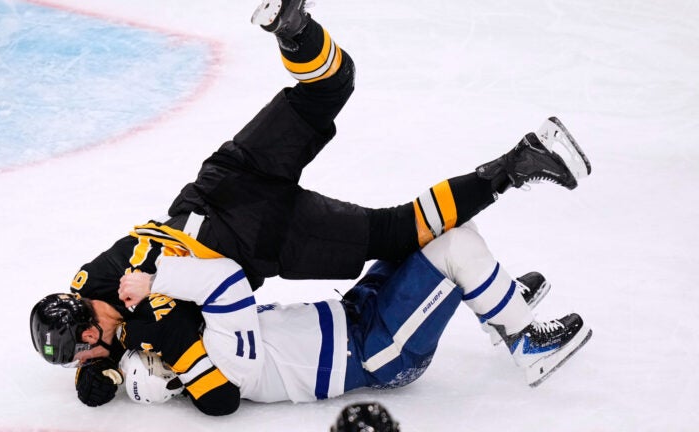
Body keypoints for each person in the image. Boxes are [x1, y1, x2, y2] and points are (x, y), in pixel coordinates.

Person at [30, 0, 592, 413]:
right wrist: (100, 366)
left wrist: (129, 345)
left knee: (403, 231)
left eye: (84, 348)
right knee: (332, 94)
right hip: (221, 187)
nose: (90, 353)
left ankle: (512, 198)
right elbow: (117, 329)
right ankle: (294, 29)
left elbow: (187, 348)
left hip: (252, 237)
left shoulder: (152, 324)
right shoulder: (94, 288)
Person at [32, 220, 591, 416]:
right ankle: (524, 341)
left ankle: (494, 299)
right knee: (455, 241)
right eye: (154, 356)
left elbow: (119, 353)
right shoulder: (224, 358)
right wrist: (158, 282)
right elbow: (224, 278)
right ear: (173, 366)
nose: (148, 343)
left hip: (351, 314)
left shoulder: (199, 358)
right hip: (377, 347)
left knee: (415, 236)